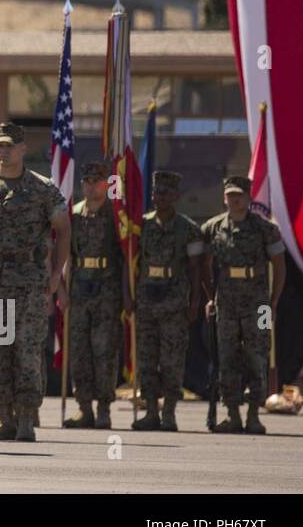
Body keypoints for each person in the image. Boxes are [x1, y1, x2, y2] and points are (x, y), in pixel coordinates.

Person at [0, 123, 68, 442]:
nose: (3, 151)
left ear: (22, 149)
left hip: (30, 283)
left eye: (9, 146)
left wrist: (55, 275)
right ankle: (1, 417)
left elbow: (63, 231)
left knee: (27, 351)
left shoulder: (43, 189)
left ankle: (26, 417)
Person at [202, 175, 286, 435]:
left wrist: (272, 301)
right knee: (226, 357)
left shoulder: (265, 229)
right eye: (230, 195)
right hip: (226, 302)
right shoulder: (213, 228)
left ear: (249, 198)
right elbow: (203, 265)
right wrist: (210, 296)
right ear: (224, 198)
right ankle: (233, 415)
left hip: (259, 304)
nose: (234, 199)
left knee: (258, 355)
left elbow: (279, 265)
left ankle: (253, 415)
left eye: (239, 195)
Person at [60, 161, 131, 430]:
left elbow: (125, 257)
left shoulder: (116, 216)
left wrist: (125, 293)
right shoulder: (74, 215)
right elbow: (65, 256)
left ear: (107, 184)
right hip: (79, 291)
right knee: (79, 352)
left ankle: (104, 408)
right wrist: (62, 291)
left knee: (105, 352)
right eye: (87, 181)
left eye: (97, 180)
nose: (91, 185)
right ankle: (84, 408)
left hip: (107, 291)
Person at [131, 170, 204, 432]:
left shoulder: (189, 229)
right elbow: (132, 265)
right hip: (147, 301)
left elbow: (196, 268)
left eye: (165, 193)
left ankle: (169, 413)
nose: (159, 197)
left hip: (175, 303)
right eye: (156, 192)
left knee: (172, 359)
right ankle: (151, 411)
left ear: (176, 196)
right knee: (147, 359)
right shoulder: (141, 226)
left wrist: (195, 301)